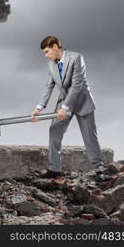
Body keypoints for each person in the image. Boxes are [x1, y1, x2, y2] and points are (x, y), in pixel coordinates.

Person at [31, 36, 107, 182]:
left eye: (47, 52)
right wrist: (39, 108)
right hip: (64, 102)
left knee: (90, 137)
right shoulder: (51, 65)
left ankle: (100, 170)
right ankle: (55, 169)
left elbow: (77, 84)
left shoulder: (76, 57)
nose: (46, 56)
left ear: (55, 47)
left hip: (82, 101)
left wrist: (65, 107)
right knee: (54, 131)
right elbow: (49, 87)